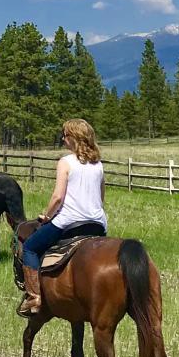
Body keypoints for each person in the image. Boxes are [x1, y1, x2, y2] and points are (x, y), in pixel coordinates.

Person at [17, 118, 108, 317]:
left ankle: (34, 297)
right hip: (97, 223)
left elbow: (58, 197)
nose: (63, 139)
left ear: (75, 138)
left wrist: (47, 216)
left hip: (69, 222)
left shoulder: (65, 162)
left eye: (65, 135)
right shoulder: (98, 164)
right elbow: (101, 198)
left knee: (30, 247)